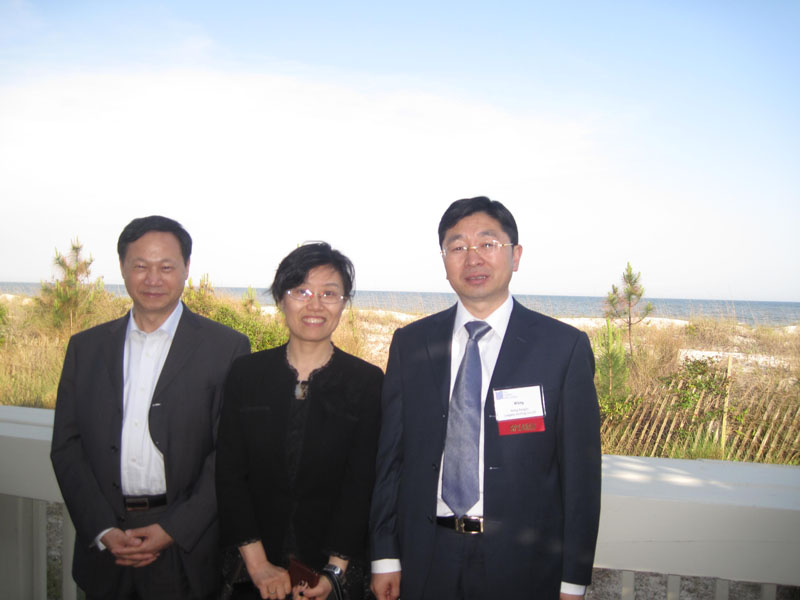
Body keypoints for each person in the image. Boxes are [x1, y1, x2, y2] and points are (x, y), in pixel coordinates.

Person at [370, 197, 601, 600]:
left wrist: (573, 579)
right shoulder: (411, 344)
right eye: (457, 246)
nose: (472, 257)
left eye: (488, 244)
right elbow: (391, 459)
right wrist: (385, 556)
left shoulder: (563, 348)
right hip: (426, 555)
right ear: (444, 261)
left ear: (516, 255)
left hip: (523, 564)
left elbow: (581, 476)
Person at [50, 215, 251, 600]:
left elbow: (229, 454)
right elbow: (67, 446)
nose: (153, 279)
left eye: (166, 267)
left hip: (185, 542)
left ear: (186, 268)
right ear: (123, 268)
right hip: (107, 541)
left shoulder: (226, 348)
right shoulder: (86, 348)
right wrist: (101, 528)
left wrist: (174, 529)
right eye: (140, 266)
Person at [216, 242, 383, 600]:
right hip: (250, 569)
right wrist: (258, 566)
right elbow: (229, 474)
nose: (315, 305)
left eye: (329, 293)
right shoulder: (247, 374)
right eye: (301, 291)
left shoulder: (366, 382)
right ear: (281, 298)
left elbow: (361, 485)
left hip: (334, 571)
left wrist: (333, 573)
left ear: (344, 302)